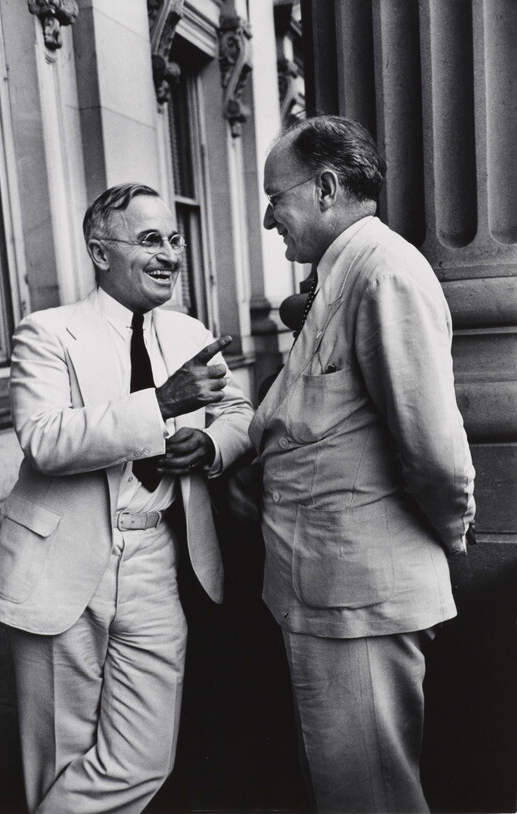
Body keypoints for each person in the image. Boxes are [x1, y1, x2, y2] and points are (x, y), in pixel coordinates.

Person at [0, 183, 253, 814]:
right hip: (60, 565)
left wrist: (210, 444)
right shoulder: (47, 333)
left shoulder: (189, 332)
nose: (170, 255)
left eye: (174, 239)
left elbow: (239, 414)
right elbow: (45, 439)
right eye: (150, 240)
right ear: (100, 253)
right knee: (60, 755)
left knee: (145, 756)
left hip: (156, 558)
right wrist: (161, 404)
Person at [249, 116, 476, 813]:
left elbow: (435, 452)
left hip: (360, 598)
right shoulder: (342, 275)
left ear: (324, 188)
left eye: (275, 198)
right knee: (347, 787)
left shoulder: (385, 273)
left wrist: (450, 533)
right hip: (329, 593)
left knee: (369, 795)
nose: (268, 219)